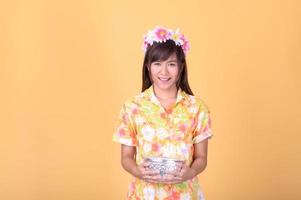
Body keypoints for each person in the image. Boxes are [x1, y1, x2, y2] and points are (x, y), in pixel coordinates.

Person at [112, 26, 213, 199]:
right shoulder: (133, 107)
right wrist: (137, 170)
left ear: (181, 67)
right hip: (144, 194)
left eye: (171, 64)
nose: (164, 72)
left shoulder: (196, 107)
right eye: (157, 64)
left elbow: (201, 158)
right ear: (148, 67)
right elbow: (126, 157)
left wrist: (190, 172)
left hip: (185, 194)